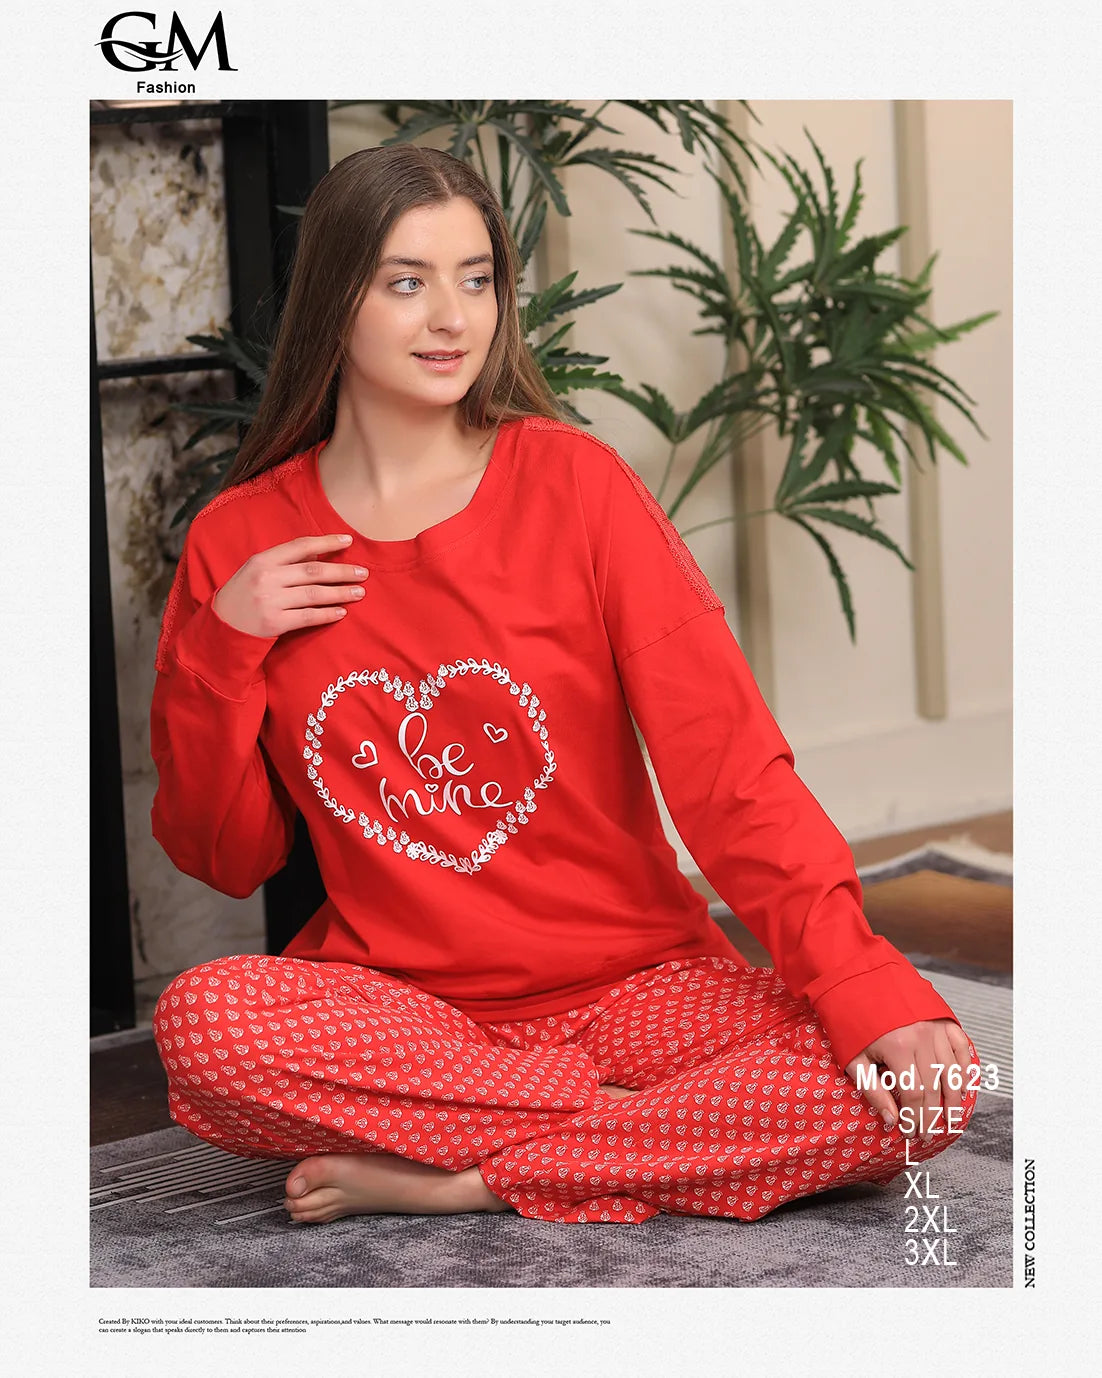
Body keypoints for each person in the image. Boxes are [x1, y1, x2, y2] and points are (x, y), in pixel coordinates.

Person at [150, 143, 979, 1228]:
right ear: (334, 302)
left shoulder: (575, 485)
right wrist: (223, 648)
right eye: (407, 281)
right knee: (207, 1026)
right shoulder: (243, 540)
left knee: (920, 1091)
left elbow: (729, 771)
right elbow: (227, 854)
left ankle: (469, 1180)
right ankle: (651, 1133)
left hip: (639, 988)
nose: (452, 316)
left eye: (477, 277)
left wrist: (863, 981)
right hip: (403, 1014)